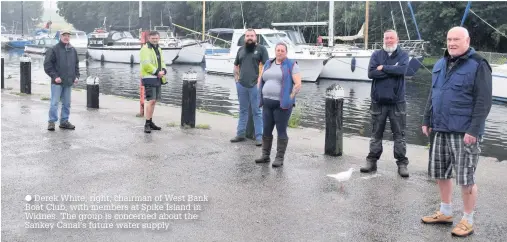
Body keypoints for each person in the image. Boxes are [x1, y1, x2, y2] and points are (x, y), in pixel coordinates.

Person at [420, 26, 492, 238]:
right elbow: (433, 94)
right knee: (440, 173)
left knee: (466, 178)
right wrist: (426, 119)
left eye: (456, 39)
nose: (452, 43)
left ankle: (467, 220)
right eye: (449, 39)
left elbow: (483, 101)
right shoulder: (441, 63)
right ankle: (445, 211)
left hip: (464, 132)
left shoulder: (479, 64)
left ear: (467, 41)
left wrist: (475, 129)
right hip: (440, 129)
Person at [360, 29, 410, 177]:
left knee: (399, 135)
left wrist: (384, 68)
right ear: (384, 39)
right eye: (386, 38)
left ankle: (402, 163)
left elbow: (402, 70)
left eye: (391, 38)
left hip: (397, 103)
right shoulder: (376, 55)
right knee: (376, 133)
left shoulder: (403, 55)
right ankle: (372, 162)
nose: (389, 40)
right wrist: (392, 69)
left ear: (397, 40)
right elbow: (371, 73)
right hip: (378, 102)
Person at [255, 42, 302, 167]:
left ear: (286, 52)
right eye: (278, 50)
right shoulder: (268, 63)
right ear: (275, 51)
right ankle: (265, 155)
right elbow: (261, 79)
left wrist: (290, 98)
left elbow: (298, 85)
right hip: (267, 103)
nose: (280, 52)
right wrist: (260, 90)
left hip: (282, 105)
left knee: (281, 131)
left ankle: (279, 158)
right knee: (266, 129)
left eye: (282, 50)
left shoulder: (291, 65)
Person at [230, 28, 269, 146]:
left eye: (252, 35)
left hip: (255, 86)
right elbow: (236, 66)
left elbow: (266, 66)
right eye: (247, 36)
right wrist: (237, 81)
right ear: (245, 37)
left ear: (255, 37)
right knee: (243, 111)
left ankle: (258, 137)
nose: (250, 38)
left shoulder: (261, 49)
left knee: (257, 111)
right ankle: (240, 134)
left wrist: (259, 81)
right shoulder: (241, 50)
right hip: (241, 85)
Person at [44, 29, 79, 131]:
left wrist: (76, 76)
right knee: (54, 103)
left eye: (68, 35)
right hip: (57, 82)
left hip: (68, 82)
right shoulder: (54, 49)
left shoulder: (73, 50)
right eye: (64, 35)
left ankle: (64, 122)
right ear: (60, 36)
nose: (66, 37)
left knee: (67, 103)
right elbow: (47, 65)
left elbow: (76, 65)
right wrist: (55, 77)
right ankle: (51, 122)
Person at [140, 31, 167, 133]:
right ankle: (147, 124)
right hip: (149, 77)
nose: (155, 40)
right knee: (150, 101)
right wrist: (157, 72)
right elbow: (146, 64)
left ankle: (150, 122)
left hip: (158, 77)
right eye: (153, 38)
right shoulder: (145, 49)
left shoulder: (158, 48)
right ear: (148, 38)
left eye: (156, 38)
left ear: (159, 38)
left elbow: (162, 61)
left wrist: (164, 70)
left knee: (154, 101)